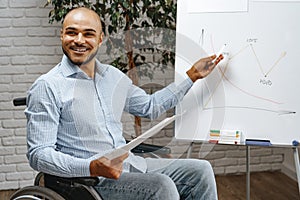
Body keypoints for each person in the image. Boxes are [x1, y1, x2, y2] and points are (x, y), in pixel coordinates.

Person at [25, 7, 223, 200]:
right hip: (87, 181)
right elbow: (39, 155)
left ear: (100, 39)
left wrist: (191, 76)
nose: (79, 40)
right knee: (161, 186)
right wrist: (92, 166)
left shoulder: (112, 77)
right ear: (62, 35)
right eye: (71, 33)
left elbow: (150, 106)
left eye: (88, 34)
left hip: (129, 165)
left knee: (200, 171)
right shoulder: (48, 86)